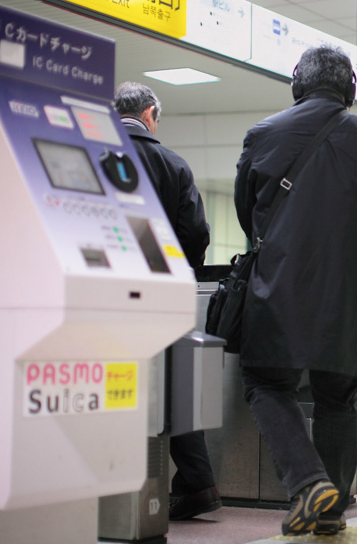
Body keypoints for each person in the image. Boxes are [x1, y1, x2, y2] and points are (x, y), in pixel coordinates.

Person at [234, 46, 357, 534]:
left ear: (298, 83)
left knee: (266, 382)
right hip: (355, 292)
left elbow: (246, 211)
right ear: (351, 89)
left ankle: (309, 481)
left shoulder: (264, 134)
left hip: (282, 286)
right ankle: (331, 512)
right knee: (338, 395)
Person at [115, 82, 219, 520]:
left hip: (107, 291)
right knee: (172, 383)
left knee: (117, 383)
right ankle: (198, 482)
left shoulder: (96, 153)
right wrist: (178, 271)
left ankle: (117, 485)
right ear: (151, 114)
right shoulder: (173, 164)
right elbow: (197, 235)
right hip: (164, 293)